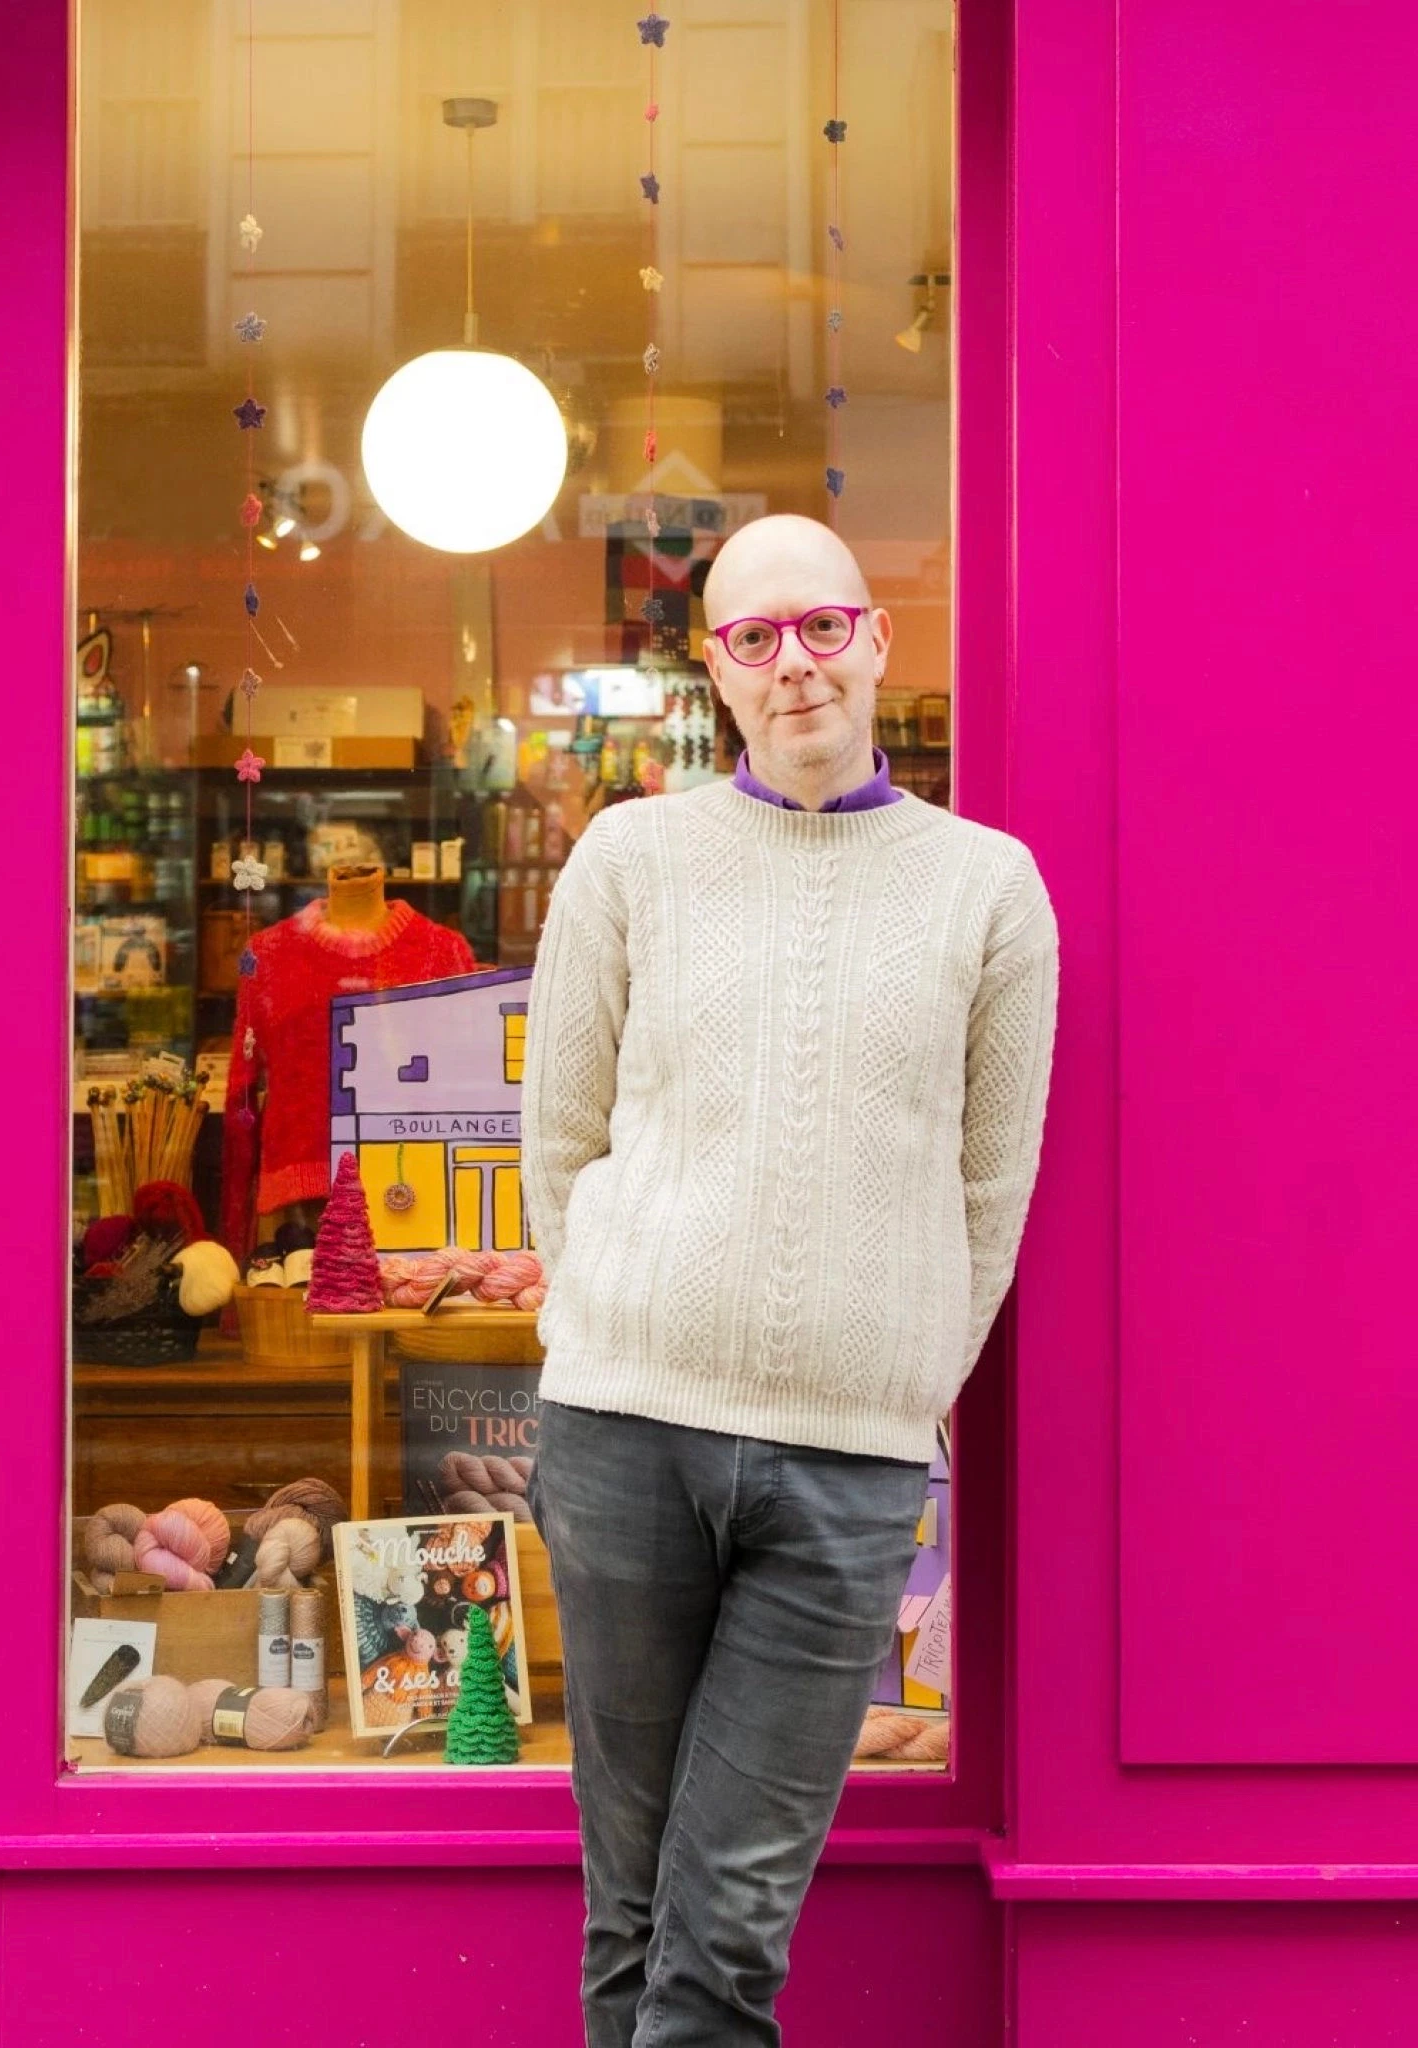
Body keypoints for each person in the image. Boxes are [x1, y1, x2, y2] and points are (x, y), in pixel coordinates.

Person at [522, 514, 1058, 2047]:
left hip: (844, 1471)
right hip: (623, 1434)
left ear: (879, 638)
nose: (793, 667)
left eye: (820, 629)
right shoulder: (631, 860)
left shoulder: (988, 890)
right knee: (629, 1905)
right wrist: (612, 1313)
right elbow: (559, 1138)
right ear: (715, 671)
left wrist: (898, 1374)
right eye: (753, 641)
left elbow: (990, 1184)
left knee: (729, 1930)